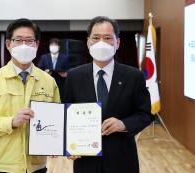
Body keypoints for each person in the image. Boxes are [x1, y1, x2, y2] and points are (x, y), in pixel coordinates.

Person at [63, 16, 154, 173]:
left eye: (107, 38)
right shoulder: (74, 76)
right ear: (88, 42)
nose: (101, 43)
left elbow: (145, 114)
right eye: (96, 38)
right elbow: (65, 114)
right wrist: (67, 145)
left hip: (122, 161)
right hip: (86, 161)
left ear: (117, 43)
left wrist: (123, 124)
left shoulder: (134, 76)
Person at [0, 18, 60, 173]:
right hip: (1, 166)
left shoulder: (48, 81)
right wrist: (10, 122)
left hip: (36, 166)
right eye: (18, 40)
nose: (24, 45)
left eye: (29, 40)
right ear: (9, 45)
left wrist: (57, 142)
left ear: (37, 45)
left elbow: (57, 121)